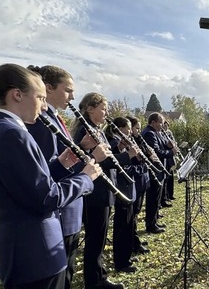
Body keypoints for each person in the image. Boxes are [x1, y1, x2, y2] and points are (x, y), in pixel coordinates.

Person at [0, 64, 100, 289]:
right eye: (41, 98)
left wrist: (63, 164)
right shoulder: (13, 134)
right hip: (36, 252)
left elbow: (27, 184)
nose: (44, 107)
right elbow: (45, 198)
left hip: (22, 250)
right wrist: (85, 178)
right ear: (17, 95)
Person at [25, 65, 111, 289]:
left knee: (68, 270)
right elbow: (48, 172)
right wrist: (91, 159)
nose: (73, 97)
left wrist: (82, 147)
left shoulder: (54, 118)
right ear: (48, 88)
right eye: (68, 90)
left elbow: (62, 158)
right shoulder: (41, 122)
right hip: (61, 208)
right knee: (63, 274)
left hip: (70, 205)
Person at [73, 92, 129, 289]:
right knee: (95, 238)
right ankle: (95, 281)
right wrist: (128, 157)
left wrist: (120, 152)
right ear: (90, 109)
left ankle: (99, 276)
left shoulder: (98, 129)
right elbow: (94, 160)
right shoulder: (84, 131)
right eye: (103, 108)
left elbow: (108, 157)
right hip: (94, 192)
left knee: (100, 237)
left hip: (103, 190)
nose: (106, 112)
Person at [105, 117, 141, 273]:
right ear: (119, 129)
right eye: (127, 128)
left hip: (127, 187)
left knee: (127, 224)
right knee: (122, 226)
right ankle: (121, 261)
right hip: (121, 187)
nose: (130, 131)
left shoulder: (120, 143)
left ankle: (126, 255)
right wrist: (126, 153)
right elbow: (118, 166)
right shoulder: (113, 143)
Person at [142, 112, 175, 233]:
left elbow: (162, 148)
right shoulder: (149, 133)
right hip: (154, 171)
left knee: (156, 198)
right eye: (160, 122)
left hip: (159, 170)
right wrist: (171, 152)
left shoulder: (156, 133)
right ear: (153, 122)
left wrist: (169, 146)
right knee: (152, 198)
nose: (162, 125)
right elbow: (156, 152)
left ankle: (154, 220)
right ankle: (150, 225)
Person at [126, 115, 152, 255]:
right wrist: (143, 165)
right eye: (136, 128)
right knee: (132, 215)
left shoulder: (136, 140)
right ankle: (133, 242)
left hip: (141, 180)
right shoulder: (126, 143)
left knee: (135, 213)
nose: (136, 131)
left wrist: (147, 155)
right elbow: (131, 164)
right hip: (134, 180)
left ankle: (134, 239)